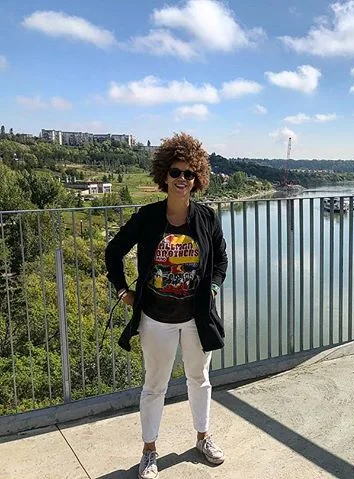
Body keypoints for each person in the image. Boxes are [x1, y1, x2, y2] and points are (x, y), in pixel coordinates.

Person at [105, 133, 228, 479]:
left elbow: (220, 258)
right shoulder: (147, 217)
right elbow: (113, 252)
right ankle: (149, 452)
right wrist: (121, 291)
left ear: (198, 178)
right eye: (176, 172)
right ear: (165, 175)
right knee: (154, 385)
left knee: (199, 379)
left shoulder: (206, 218)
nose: (182, 180)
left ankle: (203, 438)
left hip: (196, 317)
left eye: (189, 174)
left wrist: (215, 287)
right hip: (156, 318)